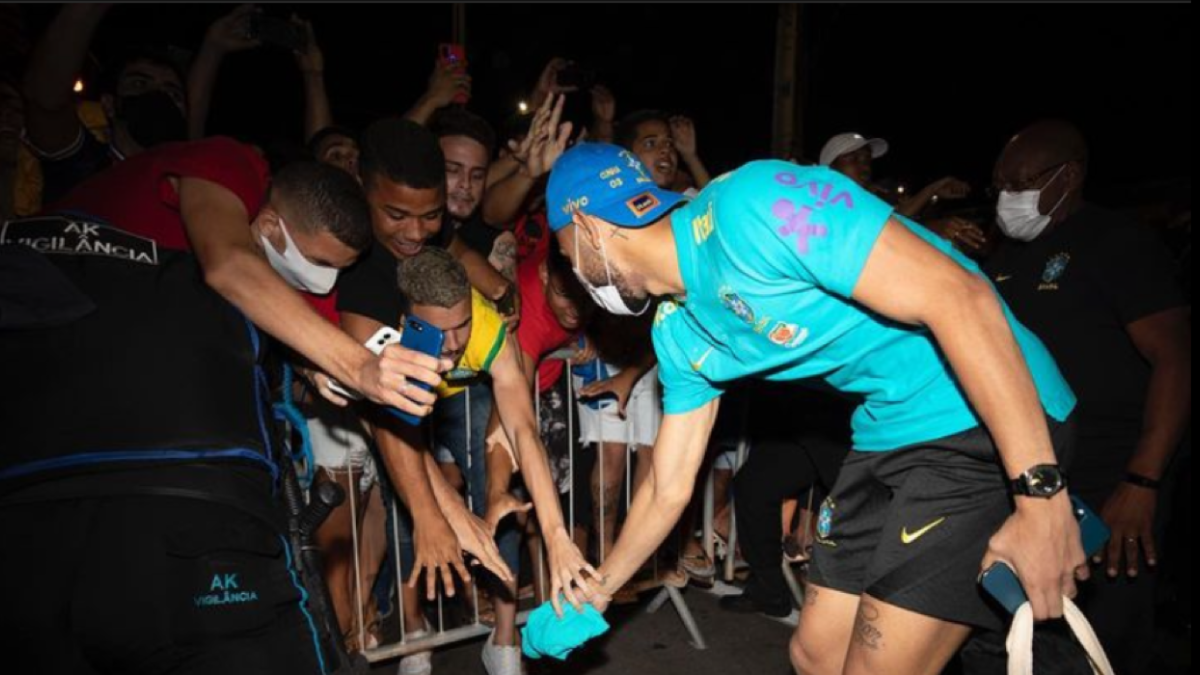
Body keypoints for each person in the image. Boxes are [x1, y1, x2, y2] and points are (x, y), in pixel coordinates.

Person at [546, 143, 1084, 675]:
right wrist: (598, 592)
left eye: (570, 257)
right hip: (887, 428)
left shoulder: (746, 206)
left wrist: (1041, 499)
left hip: (979, 413)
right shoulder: (676, 332)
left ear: (590, 227)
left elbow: (960, 296)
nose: (577, 277)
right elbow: (667, 485)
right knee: (816, 656)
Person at [0, 155, 405, 674]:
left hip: (101, 480)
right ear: (267, 225)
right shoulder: (232, 165)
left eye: (341, 270)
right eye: (322, 264)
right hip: (108, 469)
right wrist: (358, 368)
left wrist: (445, 514)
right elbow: (230, 266)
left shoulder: (289, 295)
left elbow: (378, 405)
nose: (328, 284)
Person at [977, 119, 1191, 675]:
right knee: (1017, 635)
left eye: (1021, 183)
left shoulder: (1118, 243)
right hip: (1030, 476)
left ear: (1067, 176)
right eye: (1000, 185)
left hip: (1110, 480)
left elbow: (1176, 360)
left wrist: (1142, 483)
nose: (1008, 197)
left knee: (1101, 638)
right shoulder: (1002, 257)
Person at [398, 248, 597, 675]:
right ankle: (413, 635)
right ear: (408, 320)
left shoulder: (488, 330)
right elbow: (398, 441)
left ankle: (503, 643)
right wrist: (435, 513)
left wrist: (557, 535)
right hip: (398, 402)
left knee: (506, 501)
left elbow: (523, 430)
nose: (454, 343)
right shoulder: (386, 332)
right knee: (405, 506)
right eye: (439, 330)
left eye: (462, 324)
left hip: (467, 400)